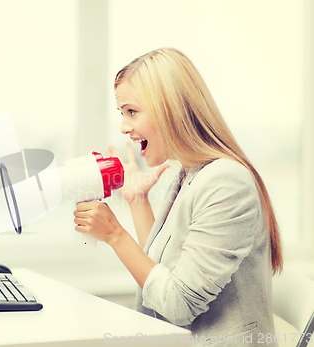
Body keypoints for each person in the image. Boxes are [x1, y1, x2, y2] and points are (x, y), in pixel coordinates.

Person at [73, 47, 282, 346]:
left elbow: (177, 305)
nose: (124, 127)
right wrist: (137, 200)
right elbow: (164, 271)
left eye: (132, 111)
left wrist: (115, 234)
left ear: (169, 108)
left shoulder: (226, 182)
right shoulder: (189, 173)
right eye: (122, 113)